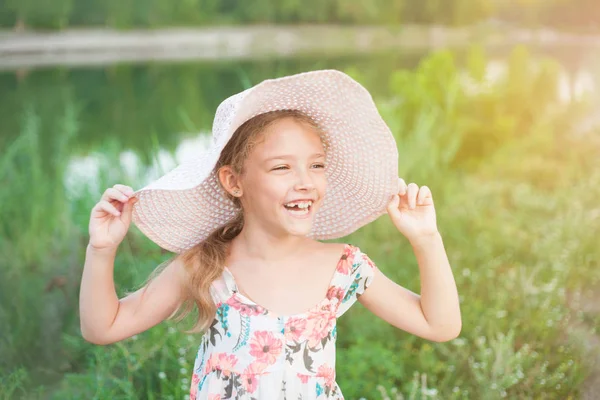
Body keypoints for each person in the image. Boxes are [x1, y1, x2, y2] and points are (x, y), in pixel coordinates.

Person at [79, 70, 461, 399]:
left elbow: (439, 325)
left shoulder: (343, 267)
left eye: (316, 165)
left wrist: (427, 240)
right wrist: (101, 248)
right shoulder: (208, 266)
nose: (305, 182)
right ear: (234, 181)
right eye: (281, 168)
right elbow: (103, 327)